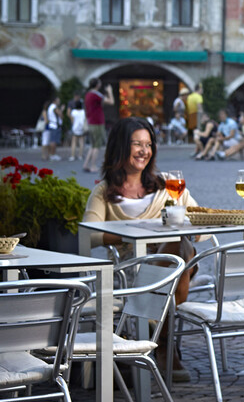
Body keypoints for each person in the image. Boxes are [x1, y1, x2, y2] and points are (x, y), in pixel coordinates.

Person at [83, 116, 200, 382]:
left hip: (172, 265)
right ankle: (164, 344)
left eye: (148, 144)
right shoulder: (104, 192)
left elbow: (198, 219)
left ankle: (150, 327)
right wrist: (129, 235)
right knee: (178, 253)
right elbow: (88, 234)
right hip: (128, 270)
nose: (144, 151)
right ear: (120, 148)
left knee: (179, 244)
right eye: (136, 144)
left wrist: (180, 217)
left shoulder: (168, 185)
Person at [40, 96, 63, 161]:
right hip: (54, 126)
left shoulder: (51, 108)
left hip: (51, 126)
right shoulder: (54, 107)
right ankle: (52, 154)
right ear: (55, 100)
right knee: (52, 141)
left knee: (49, 141)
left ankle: (49, 154)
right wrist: (61, 110)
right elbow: (60, 114)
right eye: (58, 100)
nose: (59, 101)